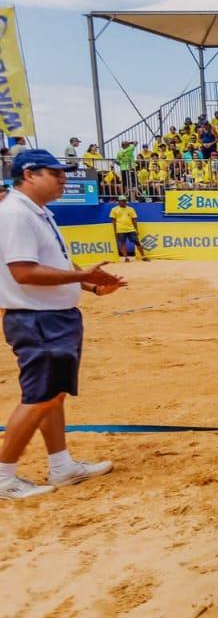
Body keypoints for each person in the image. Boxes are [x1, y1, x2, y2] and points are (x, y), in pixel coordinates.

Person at [0, 150, 119, 501]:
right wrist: (82, 277)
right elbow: (23, 271)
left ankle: (61, 465)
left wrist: (90, 285)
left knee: (52, 394)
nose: (63, 179)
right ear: (29, 174)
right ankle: (3, 476)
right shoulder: (16, 214)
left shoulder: (37, 212)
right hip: (37, 318)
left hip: (51, 316)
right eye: (55, 173)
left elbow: (54, 263)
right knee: (39, 397)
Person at [109, 195, 147, 262]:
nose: (124, 202)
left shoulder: (131, 209)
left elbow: (134, 220)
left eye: (125, 201)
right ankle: (126, 258)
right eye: (122, 201)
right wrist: (115, 232)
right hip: (120, 230)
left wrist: (136, 230)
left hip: (131, 229)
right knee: (122, 244)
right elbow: (113, 222)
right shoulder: (114, 209)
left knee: (137, 242)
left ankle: (143, 256)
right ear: (119, 201)